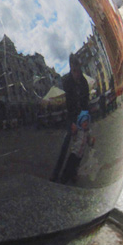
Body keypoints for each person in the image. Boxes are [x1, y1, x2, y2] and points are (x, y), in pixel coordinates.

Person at [51, 54, 90, 182]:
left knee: (81, 145)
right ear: (71, 68)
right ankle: (57, 175)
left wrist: (84, 119)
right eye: (74, 71)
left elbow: (85, 101)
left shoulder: (84, 82)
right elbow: (67, 103)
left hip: (81, 115)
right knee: (66, 143)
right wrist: (72, 122)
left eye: (78, 70)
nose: (77, 74)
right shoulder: (67, 81)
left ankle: (73, 171)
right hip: (71, 115)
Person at [60, 111, 95, 183]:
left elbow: (89, 142)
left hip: (80, 154)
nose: (86, 123)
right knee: (69, 165)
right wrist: (74, 129)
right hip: (74, 152)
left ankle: (73, 176)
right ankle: (64, 177)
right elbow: (73, 135)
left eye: (87, 122)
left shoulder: (88, 133)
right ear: (80, 122)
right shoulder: (79, 131)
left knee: (76, 166)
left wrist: (92, 142)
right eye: (84, 122)